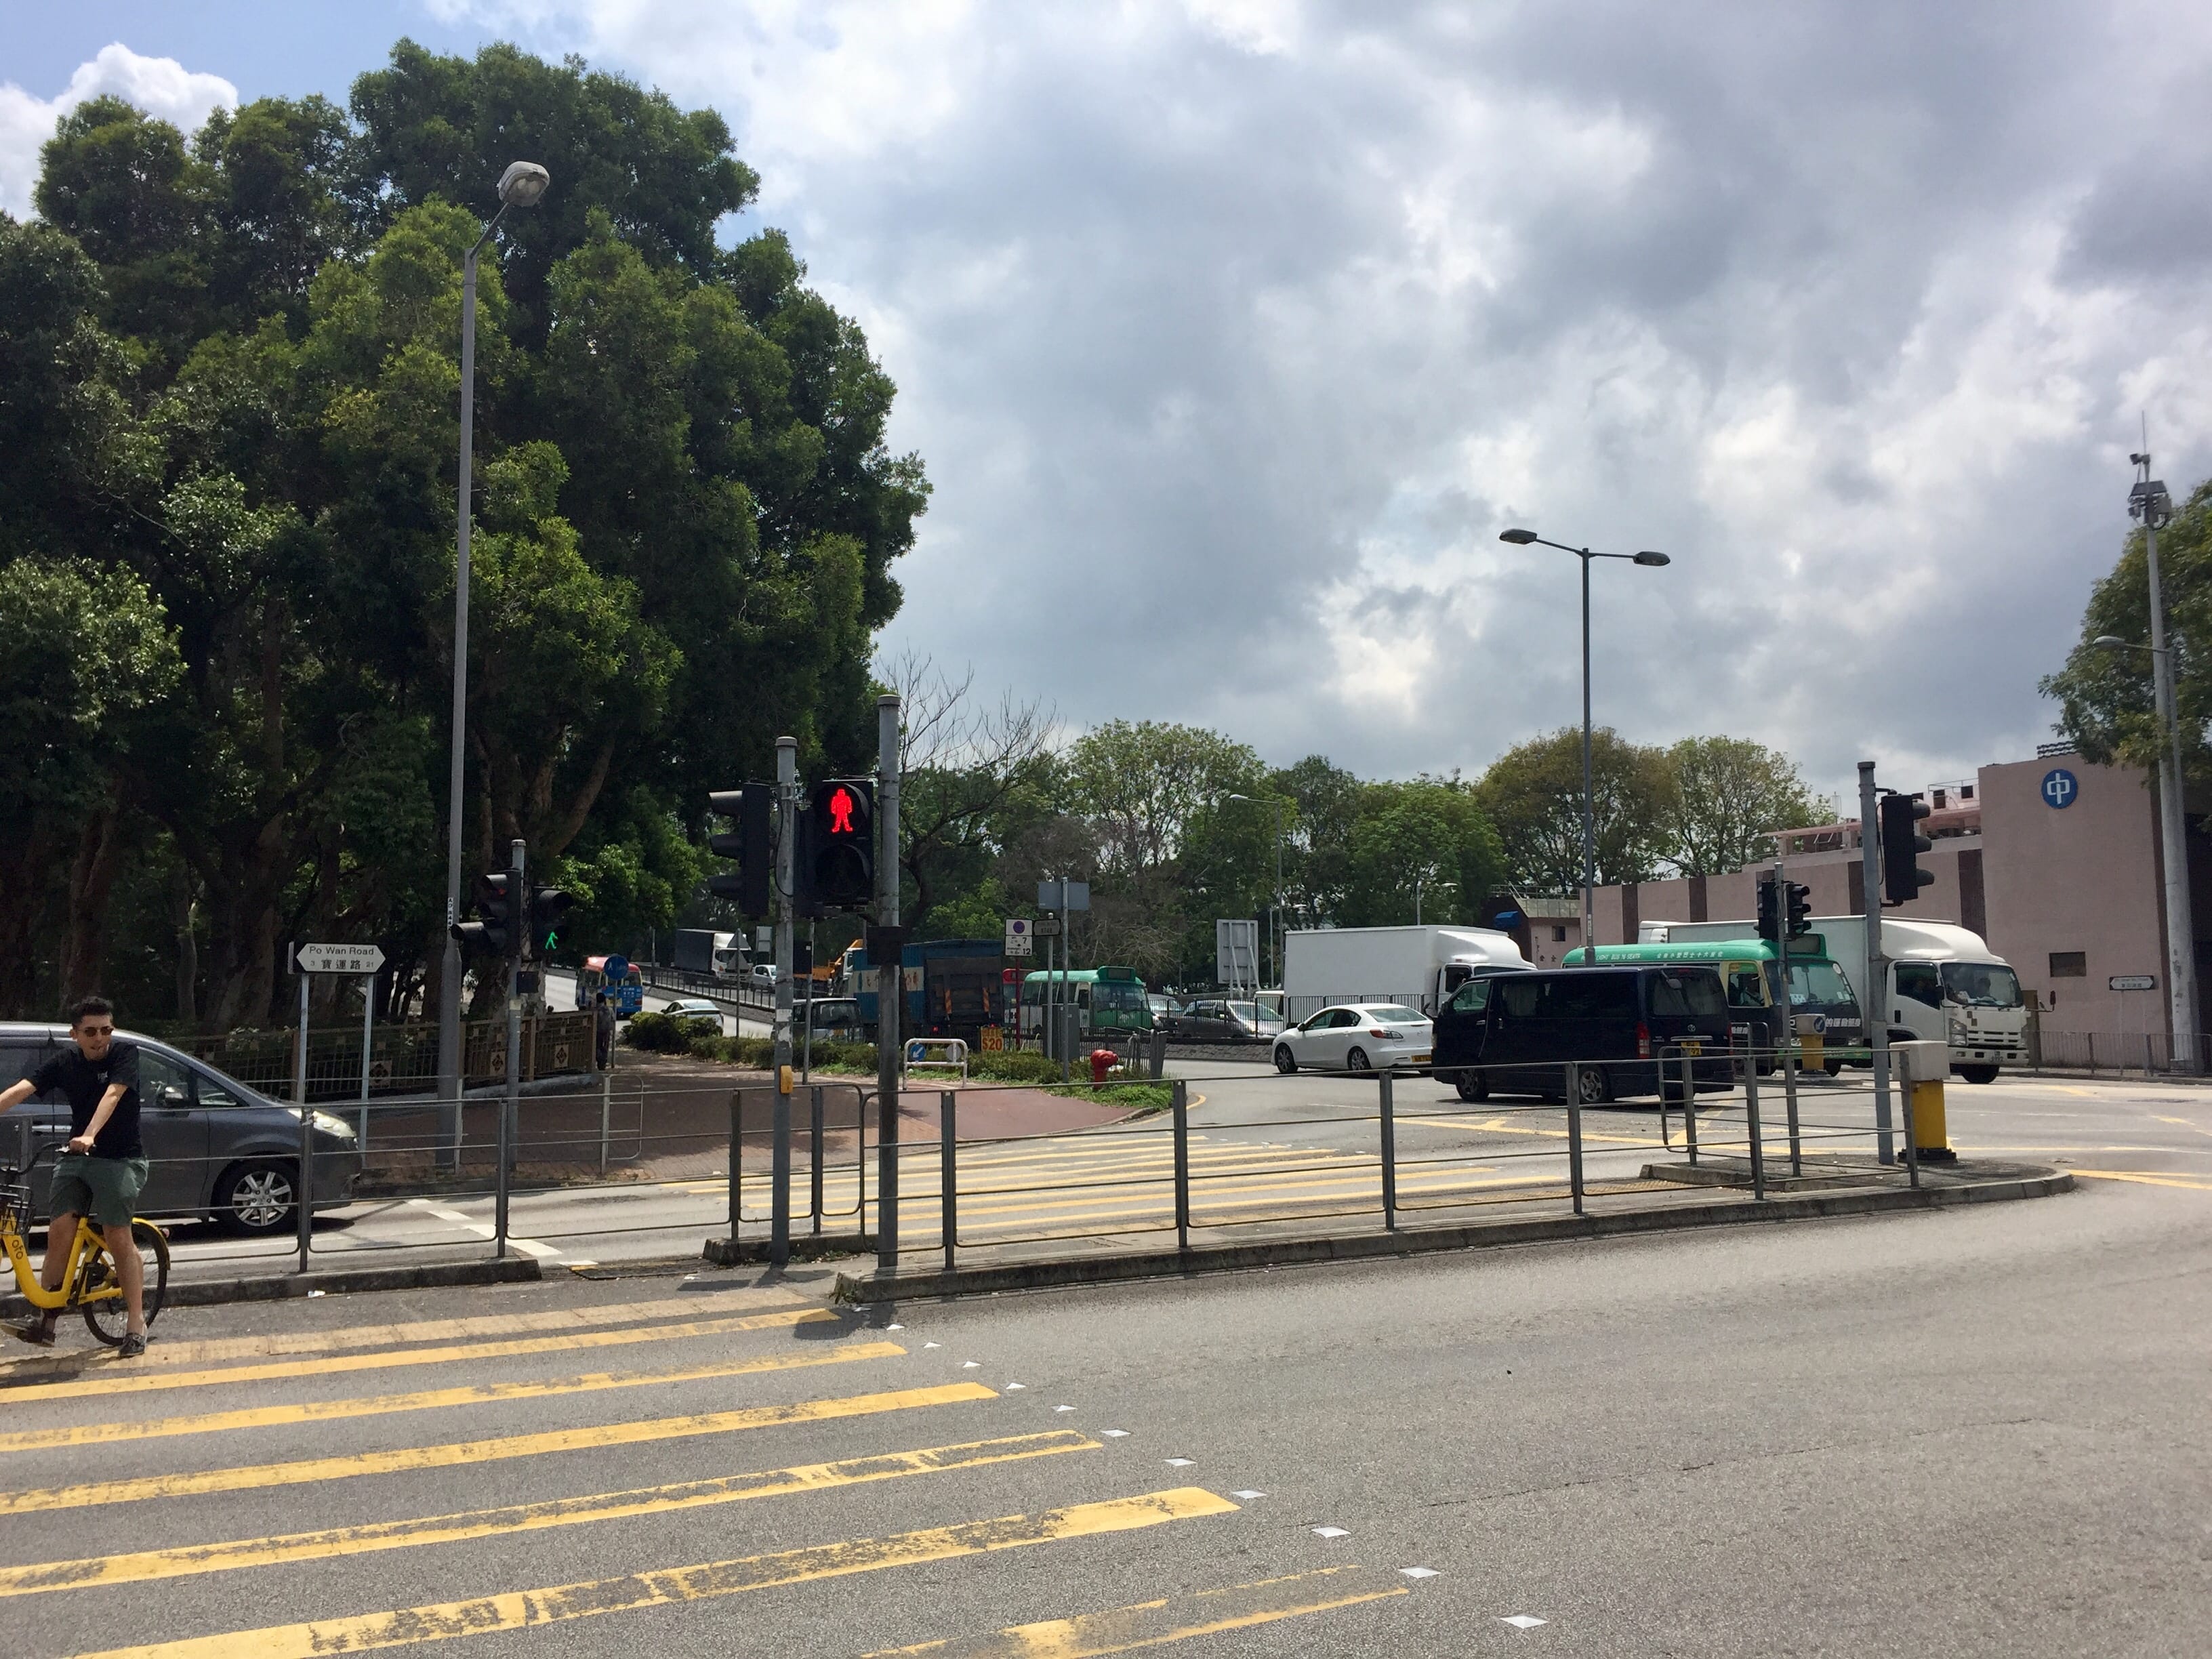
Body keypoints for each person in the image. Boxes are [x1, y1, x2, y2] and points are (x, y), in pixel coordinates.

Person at [0, 996, 149, 1355]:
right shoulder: (65, 1062)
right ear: (75, 1035)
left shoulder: (124, 1055)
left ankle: (136, 1322)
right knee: (59, 1234)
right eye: (91, 1032)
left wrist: (90, 1134)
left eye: (106, 1030)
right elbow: (23, 1089)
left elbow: (113, 1095)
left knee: (117, 1235)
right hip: (77, 1158)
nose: (100, 1038)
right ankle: (47, 1321)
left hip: (120, 1159)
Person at [594, 990, 615, 1069]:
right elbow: (613, 1020)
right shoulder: (610, 1010)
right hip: (607, 1032)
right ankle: (603, 1063)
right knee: (605, 1047)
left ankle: (599, 1061)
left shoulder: (595, 1010)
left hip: (597, 1032)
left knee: (597, 1047)